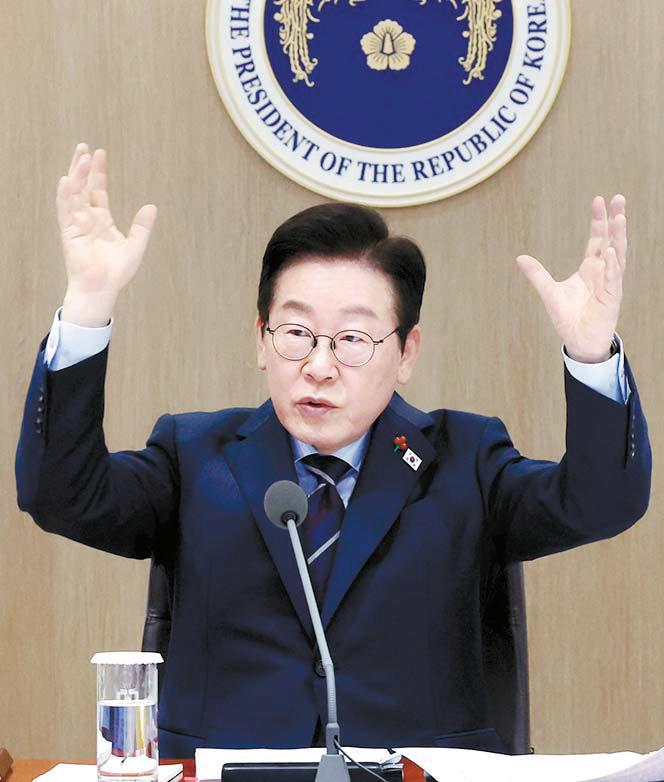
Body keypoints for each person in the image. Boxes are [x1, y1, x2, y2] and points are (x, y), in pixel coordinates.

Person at [16, 143, 651, 757]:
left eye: (352, 339)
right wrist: (88, 307)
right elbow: (61, 496)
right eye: (296, 332)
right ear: (261, 339)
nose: (319, 366)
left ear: (406, 352)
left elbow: (601, 503)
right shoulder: (194, 456)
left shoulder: (467, 461)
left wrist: (590, 353)